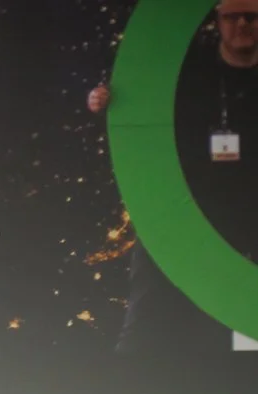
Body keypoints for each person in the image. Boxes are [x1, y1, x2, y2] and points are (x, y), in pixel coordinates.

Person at [90, 0, 258, 355]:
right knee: (147, 328)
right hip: (190, 212)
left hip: (251, 217)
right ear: (218, 20)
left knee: (240, 335)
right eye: (233, 17)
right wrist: (109, 101)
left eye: (252, 17)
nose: (243, 24)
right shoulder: (190, 71)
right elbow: (140, 107)